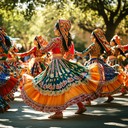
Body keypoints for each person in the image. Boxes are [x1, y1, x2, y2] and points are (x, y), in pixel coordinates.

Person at [21, 19, 103, 119]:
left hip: (56, 64)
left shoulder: (56, 40)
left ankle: (58, 112)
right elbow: (69, 55)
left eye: (55, 28)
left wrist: (42, 43)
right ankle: (81, 106)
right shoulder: (67, 41)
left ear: (59, 29)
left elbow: (43, 50)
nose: (54, 29)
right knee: (70, 84)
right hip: (63, 63)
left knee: (56, 86)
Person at [75, 28, 124, 103]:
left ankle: (88, 100)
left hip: (93, 63)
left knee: (89, 81)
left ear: (94, 37)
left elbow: (82, 54)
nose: (90, 37)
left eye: (91, 36)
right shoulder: (101, 46)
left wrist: (74, 52)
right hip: (100, 62)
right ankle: (109, 96)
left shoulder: (93, 45)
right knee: (104, 79)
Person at [0, 28, 19, 102]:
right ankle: (5, 97)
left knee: (5, 81)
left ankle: (5, 96)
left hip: (4, 65)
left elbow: (5, 56)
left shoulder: (4, 47)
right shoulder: (4, 47)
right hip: (3, 64)